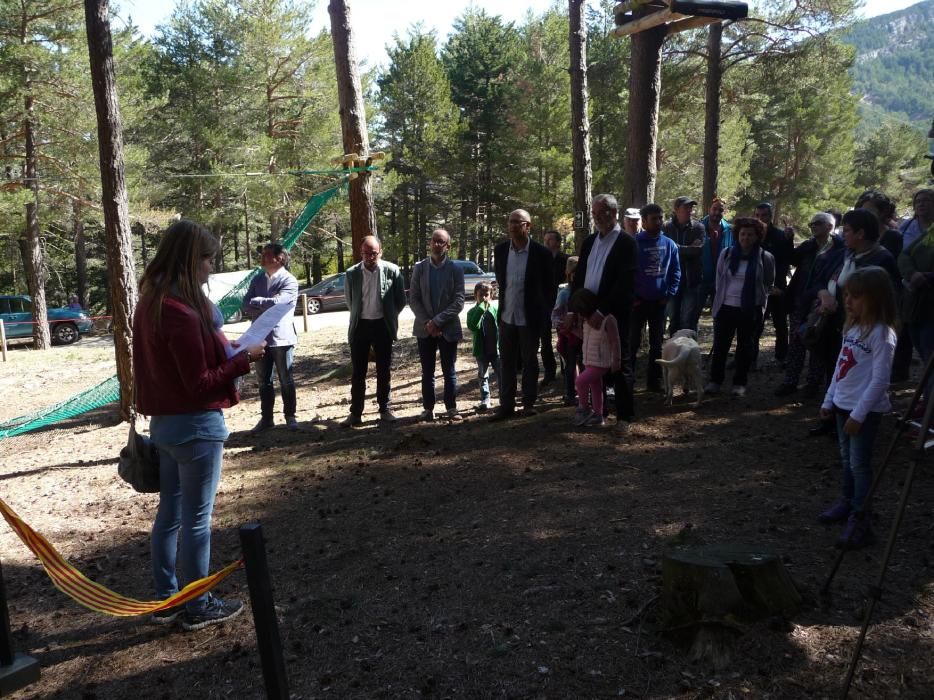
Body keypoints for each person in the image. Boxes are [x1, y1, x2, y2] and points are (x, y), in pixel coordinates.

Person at [133, 219, 265, 630]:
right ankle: (198, 604)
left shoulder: (152, 302)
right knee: (195, 519)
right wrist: (246, 359)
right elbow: (199, 383)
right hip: (196, 428)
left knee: (170, 512)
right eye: (207, 259)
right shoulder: (180, 313)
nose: (211, 267)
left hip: (166, 428)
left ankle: (167, 596)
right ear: (190, 261)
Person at [817, 266, 897, 549]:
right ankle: (847, 501)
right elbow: (840, 366)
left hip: (863, 412)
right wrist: (829, 400)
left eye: (856, 297)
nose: (848, 302)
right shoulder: (852, 328)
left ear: (875, 298)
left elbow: (879, 381)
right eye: (847, 295)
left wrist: (859, 415)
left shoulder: (881, 334)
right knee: (846, 458)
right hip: (842, 405)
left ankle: (861, 517)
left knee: (860, 464)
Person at [572, 193, 638, 432]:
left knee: (619, 364)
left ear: (615, 213)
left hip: (614, 314)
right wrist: (575, 310)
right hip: (588, 314)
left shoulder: (627, 243)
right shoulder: (590, 241)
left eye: (604, 212)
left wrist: (604, 310)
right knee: (591, 362)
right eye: (596, 213)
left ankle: (624, 418)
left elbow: (625, 283)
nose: (599, 217)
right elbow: (579, 277)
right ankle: (599, 412)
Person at [492, 209, 553, 419]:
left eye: (517, 222)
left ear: (528, 226)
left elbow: (549, 288)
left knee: (529, 361)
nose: (512, 226)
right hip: (507, 316)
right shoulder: (500, 251)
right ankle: (506, 405)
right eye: (510, 222)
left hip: (530, 317)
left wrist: (544, 314)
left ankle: (528, 403)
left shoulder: (541, 253)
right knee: (506, 362)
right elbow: (502, 282)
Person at [340, 236, 407, 427]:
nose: (370, 257)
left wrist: (389, 316)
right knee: (358, 372)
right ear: (360, 253)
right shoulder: (352, 273)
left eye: (374, 253)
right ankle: (356, 413)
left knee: (383, 370)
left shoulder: (392, 271)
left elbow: (400, 300)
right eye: (366, 253)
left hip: (382, 326)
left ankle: (385, 409)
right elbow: (349, 301)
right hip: (360, 326)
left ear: (380, 252)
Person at [705, 217, 776, 397]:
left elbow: (768, 283)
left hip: (749, 309)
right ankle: (715, 381)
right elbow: (719, 278)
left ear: (757, 236)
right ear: (737, 235)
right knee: (720, 346)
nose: (745, 238)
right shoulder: (726, 254)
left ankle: (739, 383)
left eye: (750, 235)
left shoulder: (765, 257)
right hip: (726, 307)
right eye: (742, 234)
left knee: (745, 348)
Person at [775, 211, 842, 398]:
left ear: (830, 226)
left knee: (817, 344)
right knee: (796, 342)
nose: (813, 226)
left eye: (818, 223)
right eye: (811, 224)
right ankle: (790, 381)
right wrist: (788, 240)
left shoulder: (840, 249)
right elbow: (791, 259)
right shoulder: (808, 246)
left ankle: (813, 384)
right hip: (800, 301)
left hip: (823, 305)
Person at [241, 242, 299, 432]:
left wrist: (260, 302)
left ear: (279, 258)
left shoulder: (289, 280)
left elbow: (280, 302)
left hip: (282, 337)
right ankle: (267, 419)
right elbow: (245, 303)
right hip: (259, 338)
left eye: (267, 254)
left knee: (286, 378)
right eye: (262, 254)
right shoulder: (257, 279)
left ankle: (290, 417)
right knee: (263, 380)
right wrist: (263, 303)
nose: (262, 258)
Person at [409, 229, 465, 421]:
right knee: (427, 371)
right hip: (424, 329)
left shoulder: (456, 269)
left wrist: (438, 321)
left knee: (449, 370)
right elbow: (414, 299)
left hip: (447, 328)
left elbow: (459, 301)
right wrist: (427, 322)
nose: (436, 244)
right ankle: (428, 408)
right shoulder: (420, 268)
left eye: (441, 242)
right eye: (434, 240)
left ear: (448, 246)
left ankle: (451, 407)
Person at [631, 203, 681, 393]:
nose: (659, 222)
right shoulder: (634, 243)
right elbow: (626, 273)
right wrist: (633, 297)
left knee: (656, 344)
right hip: (637, 303)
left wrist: (669, 293)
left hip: (659, 303)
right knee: (632, 343)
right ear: (644, 222)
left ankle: (654, 381)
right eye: (654, 219)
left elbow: (676, 271)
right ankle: (628, 379)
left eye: (660, 218)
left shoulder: (669, 244)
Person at [569, 288, 620, 428]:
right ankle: (599, 415)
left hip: (601, 362)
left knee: (580, 381)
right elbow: (586, 338)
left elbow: (614, 341)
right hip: (590, 360)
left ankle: (584, 408)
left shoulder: (607, 319)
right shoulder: (586, 321)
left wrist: (616, 359)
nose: (580, 315)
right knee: (596, 387)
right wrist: (572, 330)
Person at [753, 202, 794, 367]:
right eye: (758, 215)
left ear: (770, 217)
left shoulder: (779, 236)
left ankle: (781, 357)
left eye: (764, 215)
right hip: (757, 288)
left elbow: (786, 261)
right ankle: (750, 358)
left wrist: (789, 240)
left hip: (777, 287)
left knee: (780, 324)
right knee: (755, 325)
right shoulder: (753, 234)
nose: (761, 219)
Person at [898, 219, 934, 400]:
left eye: (927, 201)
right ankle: (927, 402)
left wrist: (927, 276)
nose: (922, 204)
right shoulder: (927, 235)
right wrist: (912, 274)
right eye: (918, 201)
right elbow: (904, 255)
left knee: (930, 358)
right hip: (916, 304)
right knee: (923, 353)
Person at [664, 196, 704, 336]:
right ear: (676, 210)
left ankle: (689, 351)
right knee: (674, 319)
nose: (689, 210)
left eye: (691, 207)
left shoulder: (698, 227)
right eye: (686, 207)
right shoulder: (666, 227)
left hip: (691, 281)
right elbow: (664, 250)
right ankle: (675, 352)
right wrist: (686, 249)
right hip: (672, 281)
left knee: (688, 320)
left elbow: (697, 251)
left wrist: (674, 247)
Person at [466, 282, 500, 412]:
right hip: (481, 351)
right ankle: (485, 399)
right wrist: (480, 310)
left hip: (495, 350)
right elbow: (473, 326)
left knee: (501, 374)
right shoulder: (472, 312)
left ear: (491, 295)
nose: (484, 298)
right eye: (481, 295)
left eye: (487, 295)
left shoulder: (494, 309)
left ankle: (504, 396)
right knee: (483, 376)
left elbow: (500, 327)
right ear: (475, 296)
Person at [553, 256, 581, 406]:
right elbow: (555, 315)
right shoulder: (564, 293)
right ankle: (570, 393)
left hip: (584, 335)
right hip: (569, 336)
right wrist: (565, 326)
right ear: (569, 274)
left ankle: (585, 390)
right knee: (570, 365)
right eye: (574, 273)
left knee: (584, 363)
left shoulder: (586, 290)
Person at [698, 197, 733, 322]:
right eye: (714, 209)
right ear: (709, 209)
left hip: (721, 281)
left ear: (724, 212)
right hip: (700, 280)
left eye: (720, 210)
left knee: (720, 317)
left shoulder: (730, 230)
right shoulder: (698, 228)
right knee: (692, 316)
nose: (717, 212)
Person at [540, 230, 568, 385]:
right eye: (545, 239)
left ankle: (567, 370)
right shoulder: (541, 260)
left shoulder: (566, 259)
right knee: (545, 341)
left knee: (564, 338)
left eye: (549, 239)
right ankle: (549, 372)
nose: (546, 242)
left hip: (562, 304)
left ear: (558, 242)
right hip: (545, 305)